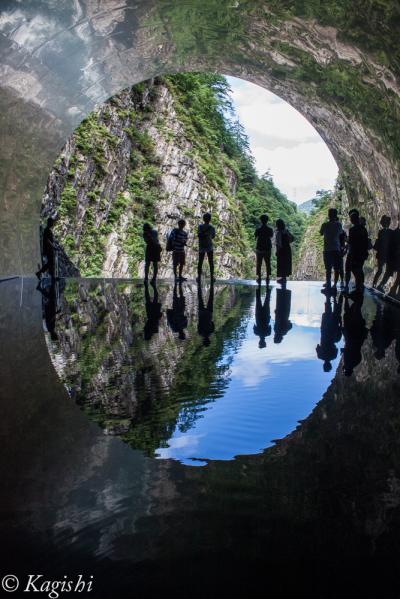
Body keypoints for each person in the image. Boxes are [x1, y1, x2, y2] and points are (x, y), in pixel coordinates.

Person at [341, 294, 368, 376]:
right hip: (350, 337)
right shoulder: (347, 362)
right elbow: (346, 351)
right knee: (346, 315)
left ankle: (358, 298)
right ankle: (348, 298)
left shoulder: (356, 363)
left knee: (357, 313)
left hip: (360, 339)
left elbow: (358, 353)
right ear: (346, 370)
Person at [316, 294, 343, 372]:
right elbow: (318, 346)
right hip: (324, 331)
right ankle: (328, 297)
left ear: (330, 365)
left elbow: (335, 347)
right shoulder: (320, 356)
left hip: (333, 332)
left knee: (337, 313)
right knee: (328, 312)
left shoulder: (333, 356)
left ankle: (339, 296)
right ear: (324, 365)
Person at [344, 211, 369, 295]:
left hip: (353, 253)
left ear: (353, 220)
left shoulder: (352, 229)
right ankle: (360, 287)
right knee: (359, 270)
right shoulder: (363, 229)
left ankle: (357, 288)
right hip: (361, 253)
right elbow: (365, 241)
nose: (351, 220)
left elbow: (351, 241)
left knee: (352, 270)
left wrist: (345, 239)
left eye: (351, 219)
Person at [319, 208, 344, 290]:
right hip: (336, 248)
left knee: (328, 268)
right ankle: (335, 285)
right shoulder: (339, 225)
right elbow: (340, 233)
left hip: (327, 249)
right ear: (336, 215)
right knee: (336, 268)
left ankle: (328, 283)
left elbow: (321, 233)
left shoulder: (324, 225)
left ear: (328, 215)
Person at [372, 215, 392, 289]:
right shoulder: (389, 232)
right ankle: (379, 285)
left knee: (381, 270)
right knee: (385, 271)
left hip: (382, 254)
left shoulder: (381, 232)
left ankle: (376, 284)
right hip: (386, 254)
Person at [254, 214, 273, 284]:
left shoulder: (258, 229)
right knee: (268, 262)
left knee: (259, 263)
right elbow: (271, 236)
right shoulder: (270, 229)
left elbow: (255, 237)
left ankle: (259, 276)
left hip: (259, 247)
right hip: (267, 247)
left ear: (261, 221)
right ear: (267, 221)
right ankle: (268, 276)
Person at [197, 212, 216, 282]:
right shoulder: (212, 228)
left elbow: (198, 235)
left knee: (200, 262)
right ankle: (212, 277)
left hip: (201, 245)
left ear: (203, 219)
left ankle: (199, 277)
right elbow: (213, 236)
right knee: (211, 262)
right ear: (210, 219)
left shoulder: (200, 227)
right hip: (209, 246)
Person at [275, 219, 294, 286]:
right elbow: (292, 238)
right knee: (286, 263)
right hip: (287, 249)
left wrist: (277, 251)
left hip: (282, 250)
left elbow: (278, 243)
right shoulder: (286, 231)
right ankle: (284, 278)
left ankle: (283, 278)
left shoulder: (278, 233)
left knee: (281, 264)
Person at [197, 281, 215, 347]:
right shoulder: (200, 333)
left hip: (209, 314)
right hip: (201, 314)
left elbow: (212, 323)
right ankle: (198, 283)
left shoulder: (211, 332)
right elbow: (198, 324)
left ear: (209, 340)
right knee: (200, 298)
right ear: (203, 341)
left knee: (211, 297)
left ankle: (212, 283)